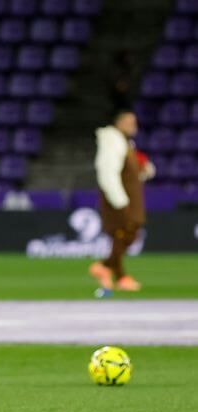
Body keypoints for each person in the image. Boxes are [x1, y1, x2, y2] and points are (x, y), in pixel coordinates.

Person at [91, 110, 155, 292]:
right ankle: (111, 271)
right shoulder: (112, 141)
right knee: (124, 233)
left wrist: (143, 168)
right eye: (128, 121)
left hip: (129, 199)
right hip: (119, 199)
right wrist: (119, 201)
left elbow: (136, 171)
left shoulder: (126, 143)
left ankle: (112, 272)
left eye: (134, 122)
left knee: (126, 236)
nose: (132, 125)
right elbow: (107, 173)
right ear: (118, 123)